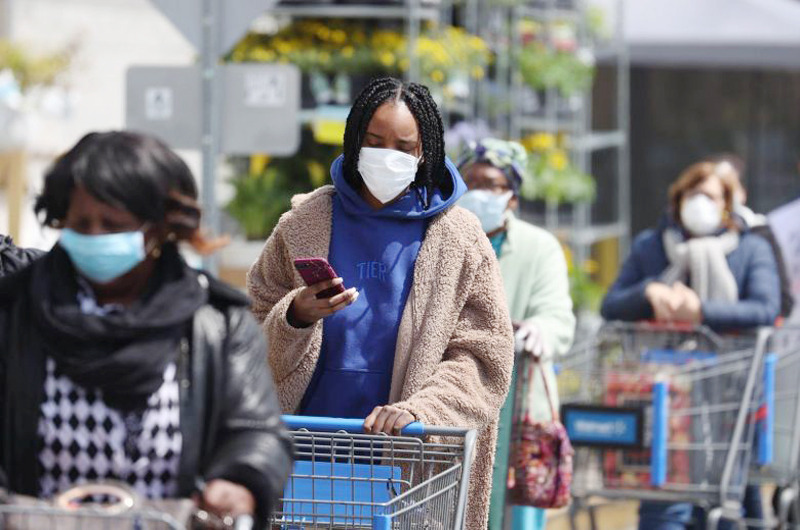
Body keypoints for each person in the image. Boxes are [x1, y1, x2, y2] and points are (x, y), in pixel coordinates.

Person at [247, 77, 515, 529]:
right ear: (354, 142)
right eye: (374, 142)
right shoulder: (305, 220)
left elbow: (484, 357)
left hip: (408, 465)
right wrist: (295, 316)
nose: (386, 155)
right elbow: (253, 323)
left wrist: (422, 412)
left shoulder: (460, 236)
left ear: (425, 151)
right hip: (305, 450)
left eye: (402, 146)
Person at [0, 131, 293, 527]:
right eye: (80, 224)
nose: (94, 237)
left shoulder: (215, 323)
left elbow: (255, 430)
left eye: (113, 224)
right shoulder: (16, 308)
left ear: (158, 228)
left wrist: (239, 482)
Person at [601, 161, 781, 529]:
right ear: (678, 199)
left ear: (727, 204)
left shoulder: (750, 249)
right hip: (661, 398)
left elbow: (765, 308)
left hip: (728, 397)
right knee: (663, 503)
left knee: (723, 501)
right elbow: (612, 304)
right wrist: (648, 293)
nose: (700, 202)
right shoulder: (651, 246)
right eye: (692, 194)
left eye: (710, 196)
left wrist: (700, 311)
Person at [457, 138, 575, 530]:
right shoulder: (442, 237)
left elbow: (558, 317)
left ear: (512, 197)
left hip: (519, 409)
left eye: (491, 184)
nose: (478, 193)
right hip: (454, 402)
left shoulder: (540, 248)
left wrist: (540, 330)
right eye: (470, 181)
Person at [706, 153, 794, 319]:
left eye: (728, 188)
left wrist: (704, 311)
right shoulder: (679, 236)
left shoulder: (758, 235)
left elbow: (779, 304)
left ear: (742, 193)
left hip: (742, 341)